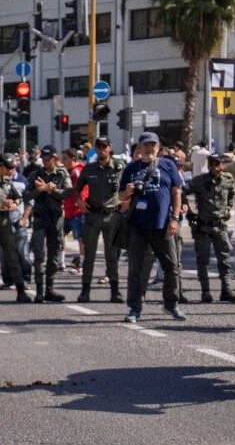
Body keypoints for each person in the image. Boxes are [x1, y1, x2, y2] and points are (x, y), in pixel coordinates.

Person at [117, 132, 186, 325]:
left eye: (153, 145)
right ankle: (134, 308)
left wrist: (175, 218)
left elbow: (176, 192)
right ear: (139, 147)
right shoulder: (131, 168)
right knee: (135, 269)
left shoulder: (168, 164)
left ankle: (171, 304)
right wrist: (128, 192)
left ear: (158, 147)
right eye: (146, 145)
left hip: (162, 225)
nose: (150, 148)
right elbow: (121, 197)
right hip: (138, 226)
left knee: (171, 266)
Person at [184, 152, 235, 303]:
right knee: (202, 260)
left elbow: (232, 195)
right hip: (203, 226)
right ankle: (205, 291)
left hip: (220, 225)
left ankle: (226, 290)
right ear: (208, 165)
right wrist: (189, 213)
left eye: (217, 164)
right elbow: (182, 192)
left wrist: (228, 209)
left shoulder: (228, 180)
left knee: (225, 259)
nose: (214, 167)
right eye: (212, 164)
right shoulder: (199, 181)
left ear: (222, 164)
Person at [76, 139, 125, 303]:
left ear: (110, 148)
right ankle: (85, 291)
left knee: (111, 256)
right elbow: (77, 189)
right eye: (99, 147)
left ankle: (115, 291)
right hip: (93, 216)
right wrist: (80, 202)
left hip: (112, 216)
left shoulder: (120, 167)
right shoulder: (89, 168)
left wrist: (126, 203)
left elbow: (127, 187)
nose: (102, 149)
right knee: (89, 255)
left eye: (104, 147)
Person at [0, 152, 30, 304]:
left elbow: (18, 197)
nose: (11, 170)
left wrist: (13, 204)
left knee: (13, 256)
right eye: (9, 167)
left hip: (5, 223)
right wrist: (0, 205)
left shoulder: (7, 182)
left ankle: (21, 291)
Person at [25, 145, 69, 303]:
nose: (45, 162)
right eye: (43, 159)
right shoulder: (35, 174)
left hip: (56, 218)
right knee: (39, 255)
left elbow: (68, 193)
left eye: (48, 159)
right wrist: (41, 189)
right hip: (40, 218)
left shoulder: (62, 174)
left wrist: (52, 190)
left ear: (55, 159)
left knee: (54, 255)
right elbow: (26, 196)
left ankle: (49, 289)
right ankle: (39, 291)